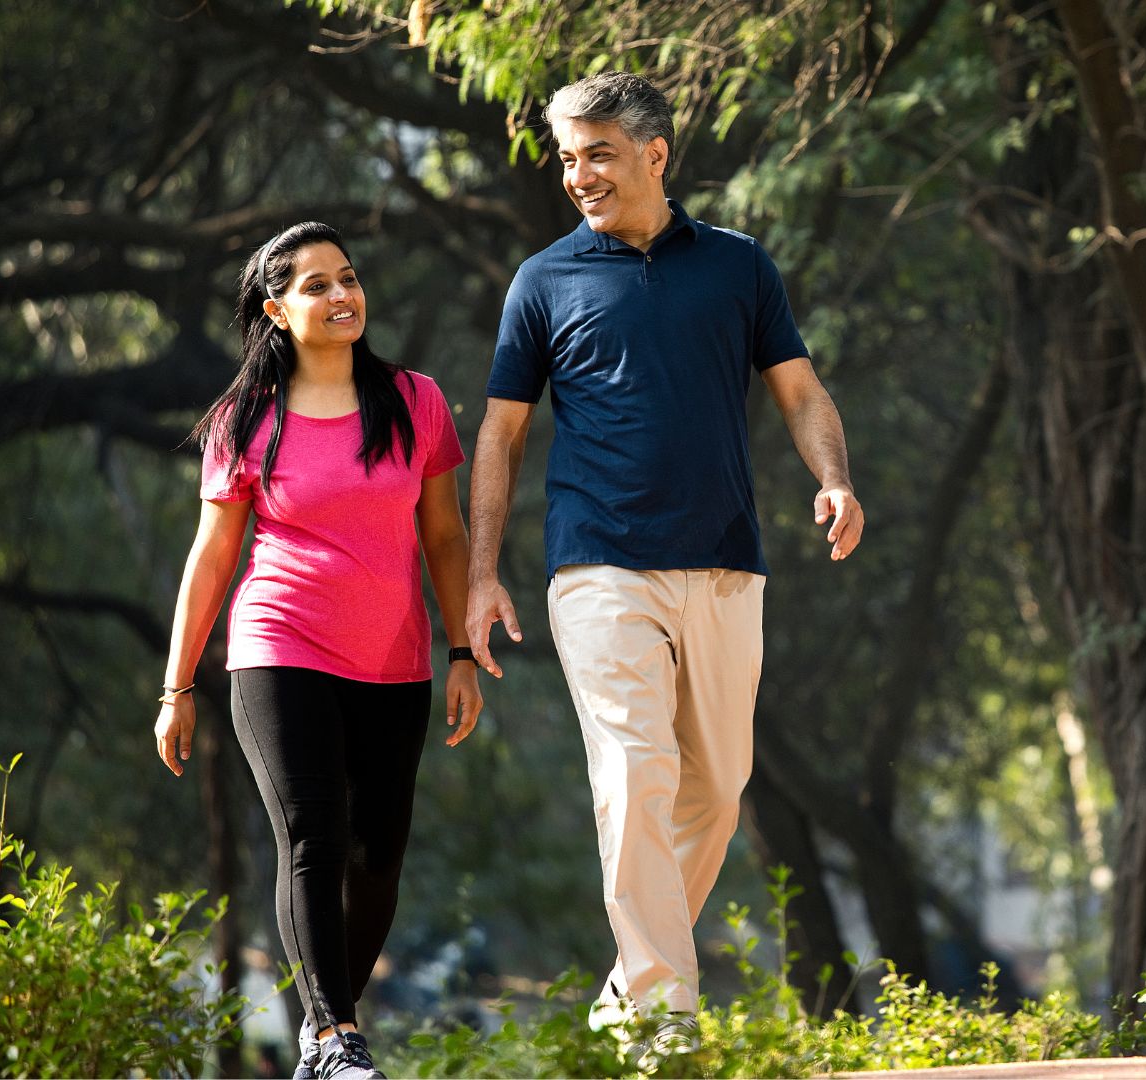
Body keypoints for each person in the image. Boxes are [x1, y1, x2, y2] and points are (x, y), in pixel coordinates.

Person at [463, 71, 865, 1063]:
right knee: (635, 775)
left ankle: (621, 1001)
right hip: (597, 564)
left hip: (726, 563)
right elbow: (500, 435)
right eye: (568, 159)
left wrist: (835, 479)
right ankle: (658, 1029)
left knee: (715, 794)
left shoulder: (738, 266)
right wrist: (481, 573)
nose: (578, 176)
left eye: (597, 153)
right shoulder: (543, 281)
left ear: (655, 154)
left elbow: (801, 391)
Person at [153, 222, 481, 1080]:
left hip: (394, 659)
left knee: (378, 856)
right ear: (275, 310)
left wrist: (462, 651)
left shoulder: (414, 400)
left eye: (349, 278)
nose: (342, 296)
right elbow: (213, 556)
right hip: (279, 644)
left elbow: (445, 536)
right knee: (313, 836)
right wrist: (176, 687)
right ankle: (337, 1038)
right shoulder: (244, 420)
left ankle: (322, 1033)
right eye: (317, 285)